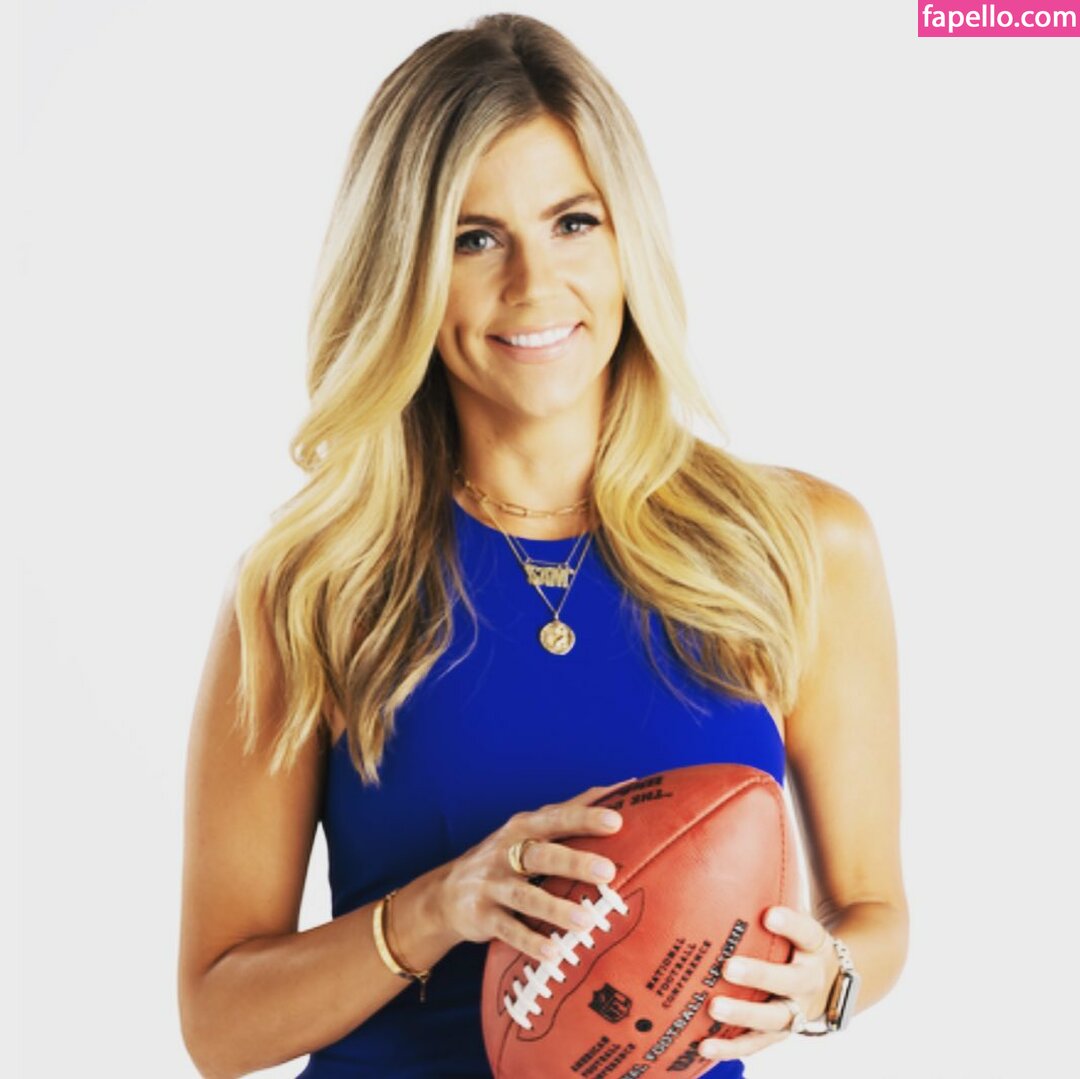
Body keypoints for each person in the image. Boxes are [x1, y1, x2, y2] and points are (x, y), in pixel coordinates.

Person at [177, 12, 908, 1078]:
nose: (533, 284)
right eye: (474, 238)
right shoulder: (312, 587)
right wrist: (435, 907)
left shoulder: (801, 545)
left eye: (573, 222)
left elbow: (875, 913)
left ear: (628, 239)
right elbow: (217, 1021)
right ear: (404, 272)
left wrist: (824, 980)